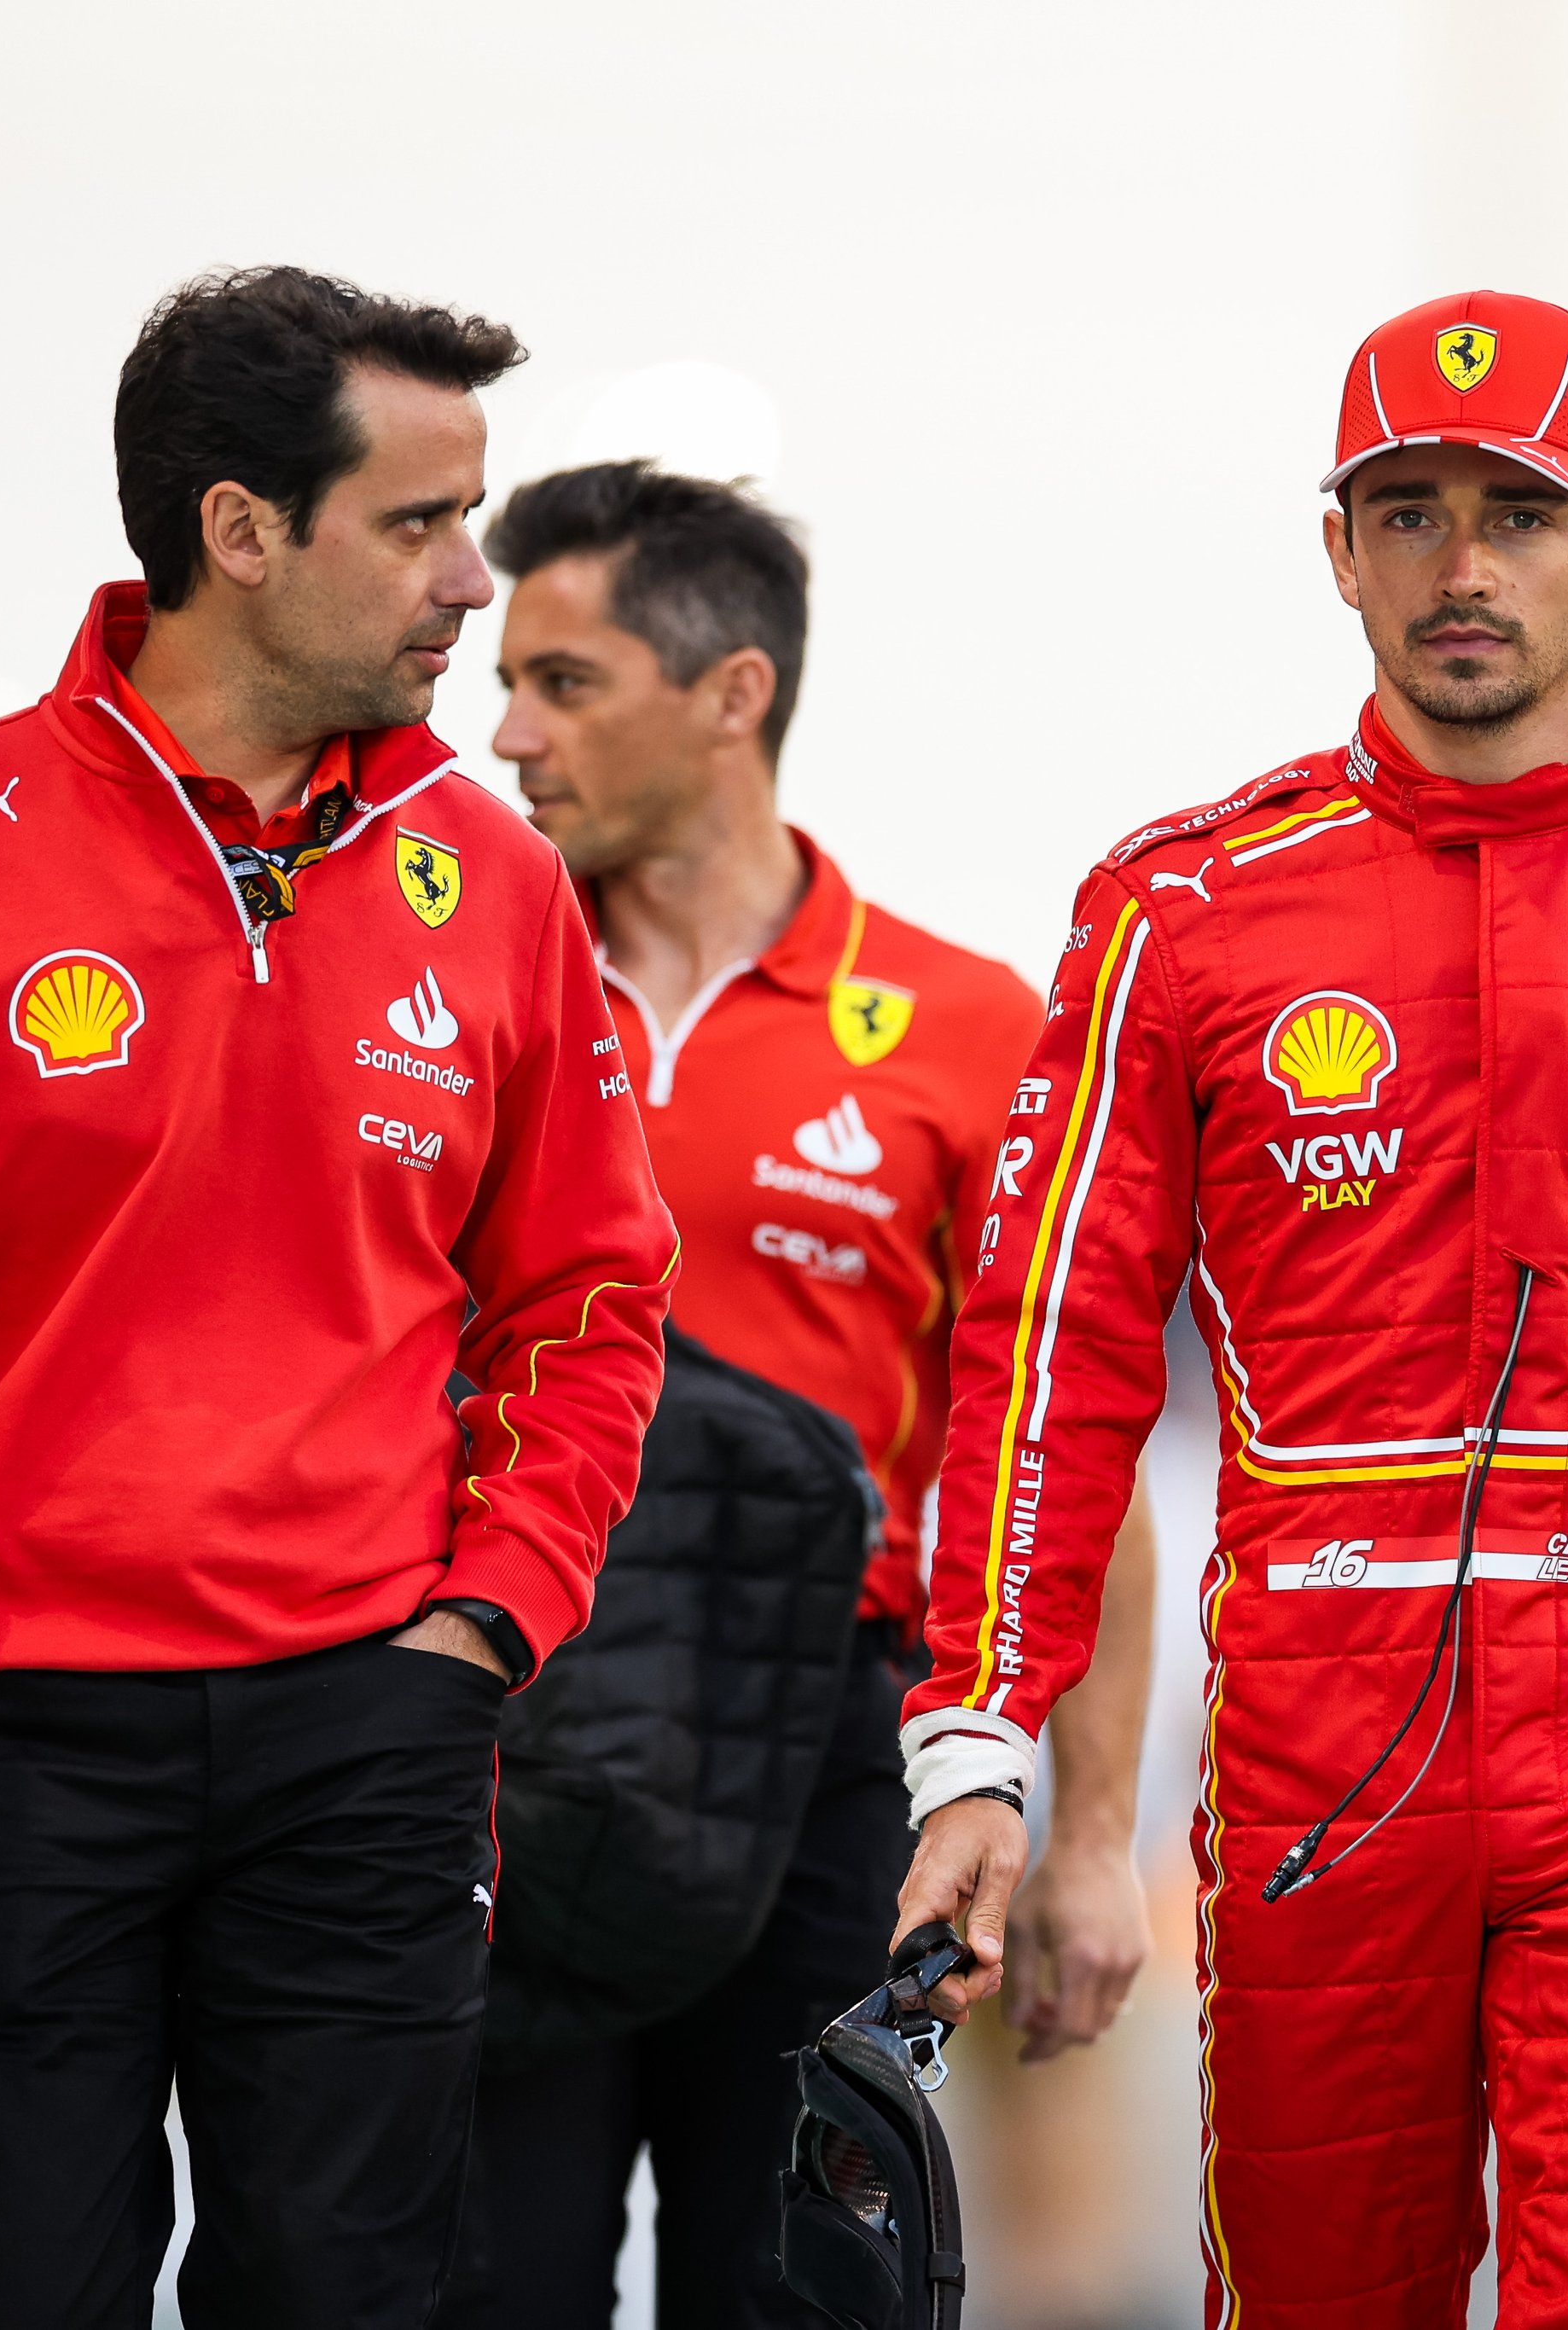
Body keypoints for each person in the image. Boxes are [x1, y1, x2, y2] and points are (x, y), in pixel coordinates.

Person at [892, 290, 1568, 2326]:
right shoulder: (1184, 909)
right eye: (1404, 512)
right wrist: (974, 1747)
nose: (1461, 564)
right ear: (1338, 551)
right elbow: (1044, 1360)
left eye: (1518, 509)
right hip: (1323, 1730)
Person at [0, 268, 677, 2330]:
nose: (470, 580)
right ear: (238, 531)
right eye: (420, 523)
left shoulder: (494, 881)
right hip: (2, 1745)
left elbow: (589, 1305)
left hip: (375, 1722)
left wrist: (492, 1610)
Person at [456, 461, 1159, 2326]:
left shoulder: (961, 1026)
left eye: (564, 680)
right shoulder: (454, 996)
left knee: (800, 2301)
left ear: (731, 691)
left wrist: (1089, 1835)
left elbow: (1065, 1459)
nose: (507, 730)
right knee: (475, 2286)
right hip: (501, 1740)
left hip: (835, 1775)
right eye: (505, 679)